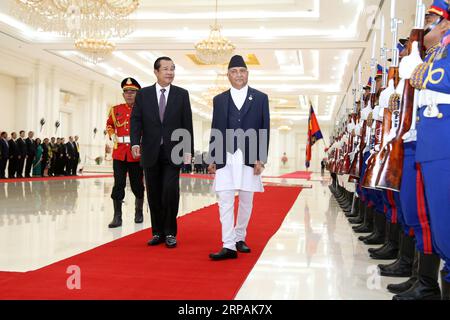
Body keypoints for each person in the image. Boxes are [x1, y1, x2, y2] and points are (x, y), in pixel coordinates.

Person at [208, 55, 270, 261]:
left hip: (249, 156)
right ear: (228, 75)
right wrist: (213, 157)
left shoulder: (260, 98)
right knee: (224, 199)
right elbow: (215, 128)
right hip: (225, 155)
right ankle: (228, 245)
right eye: (234, 71)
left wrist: (261, 157)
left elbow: (264, 128)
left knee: (246, 200)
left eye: (242, 71)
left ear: (247, 74)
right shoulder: (219, 99)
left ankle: (240, 237)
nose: (238, 75)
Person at [130, 57, 194, 248]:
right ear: (156, 72)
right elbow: (136, 120)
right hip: (150, 151)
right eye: (165, 69)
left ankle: (170, 232)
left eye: (172, 69)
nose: (170, 72)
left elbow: (187, 124)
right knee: (154, 193)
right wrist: (135, 143)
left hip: (174, 151)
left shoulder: (182, 94)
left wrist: (188, 150)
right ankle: (157, 232)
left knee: (170, 191)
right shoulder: (143, 94)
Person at [106, 77, 146, 228]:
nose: (129, 94)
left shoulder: (143, 110)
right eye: (126, 92)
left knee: (137, 185)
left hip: (136, 153)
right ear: (123, 94)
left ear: (138, 94)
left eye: (133, 92)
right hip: (119, 153)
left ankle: (138, 211)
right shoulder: (115, 110)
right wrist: (111, 134)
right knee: (119, 184)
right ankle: (117, 216)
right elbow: (109, 124)